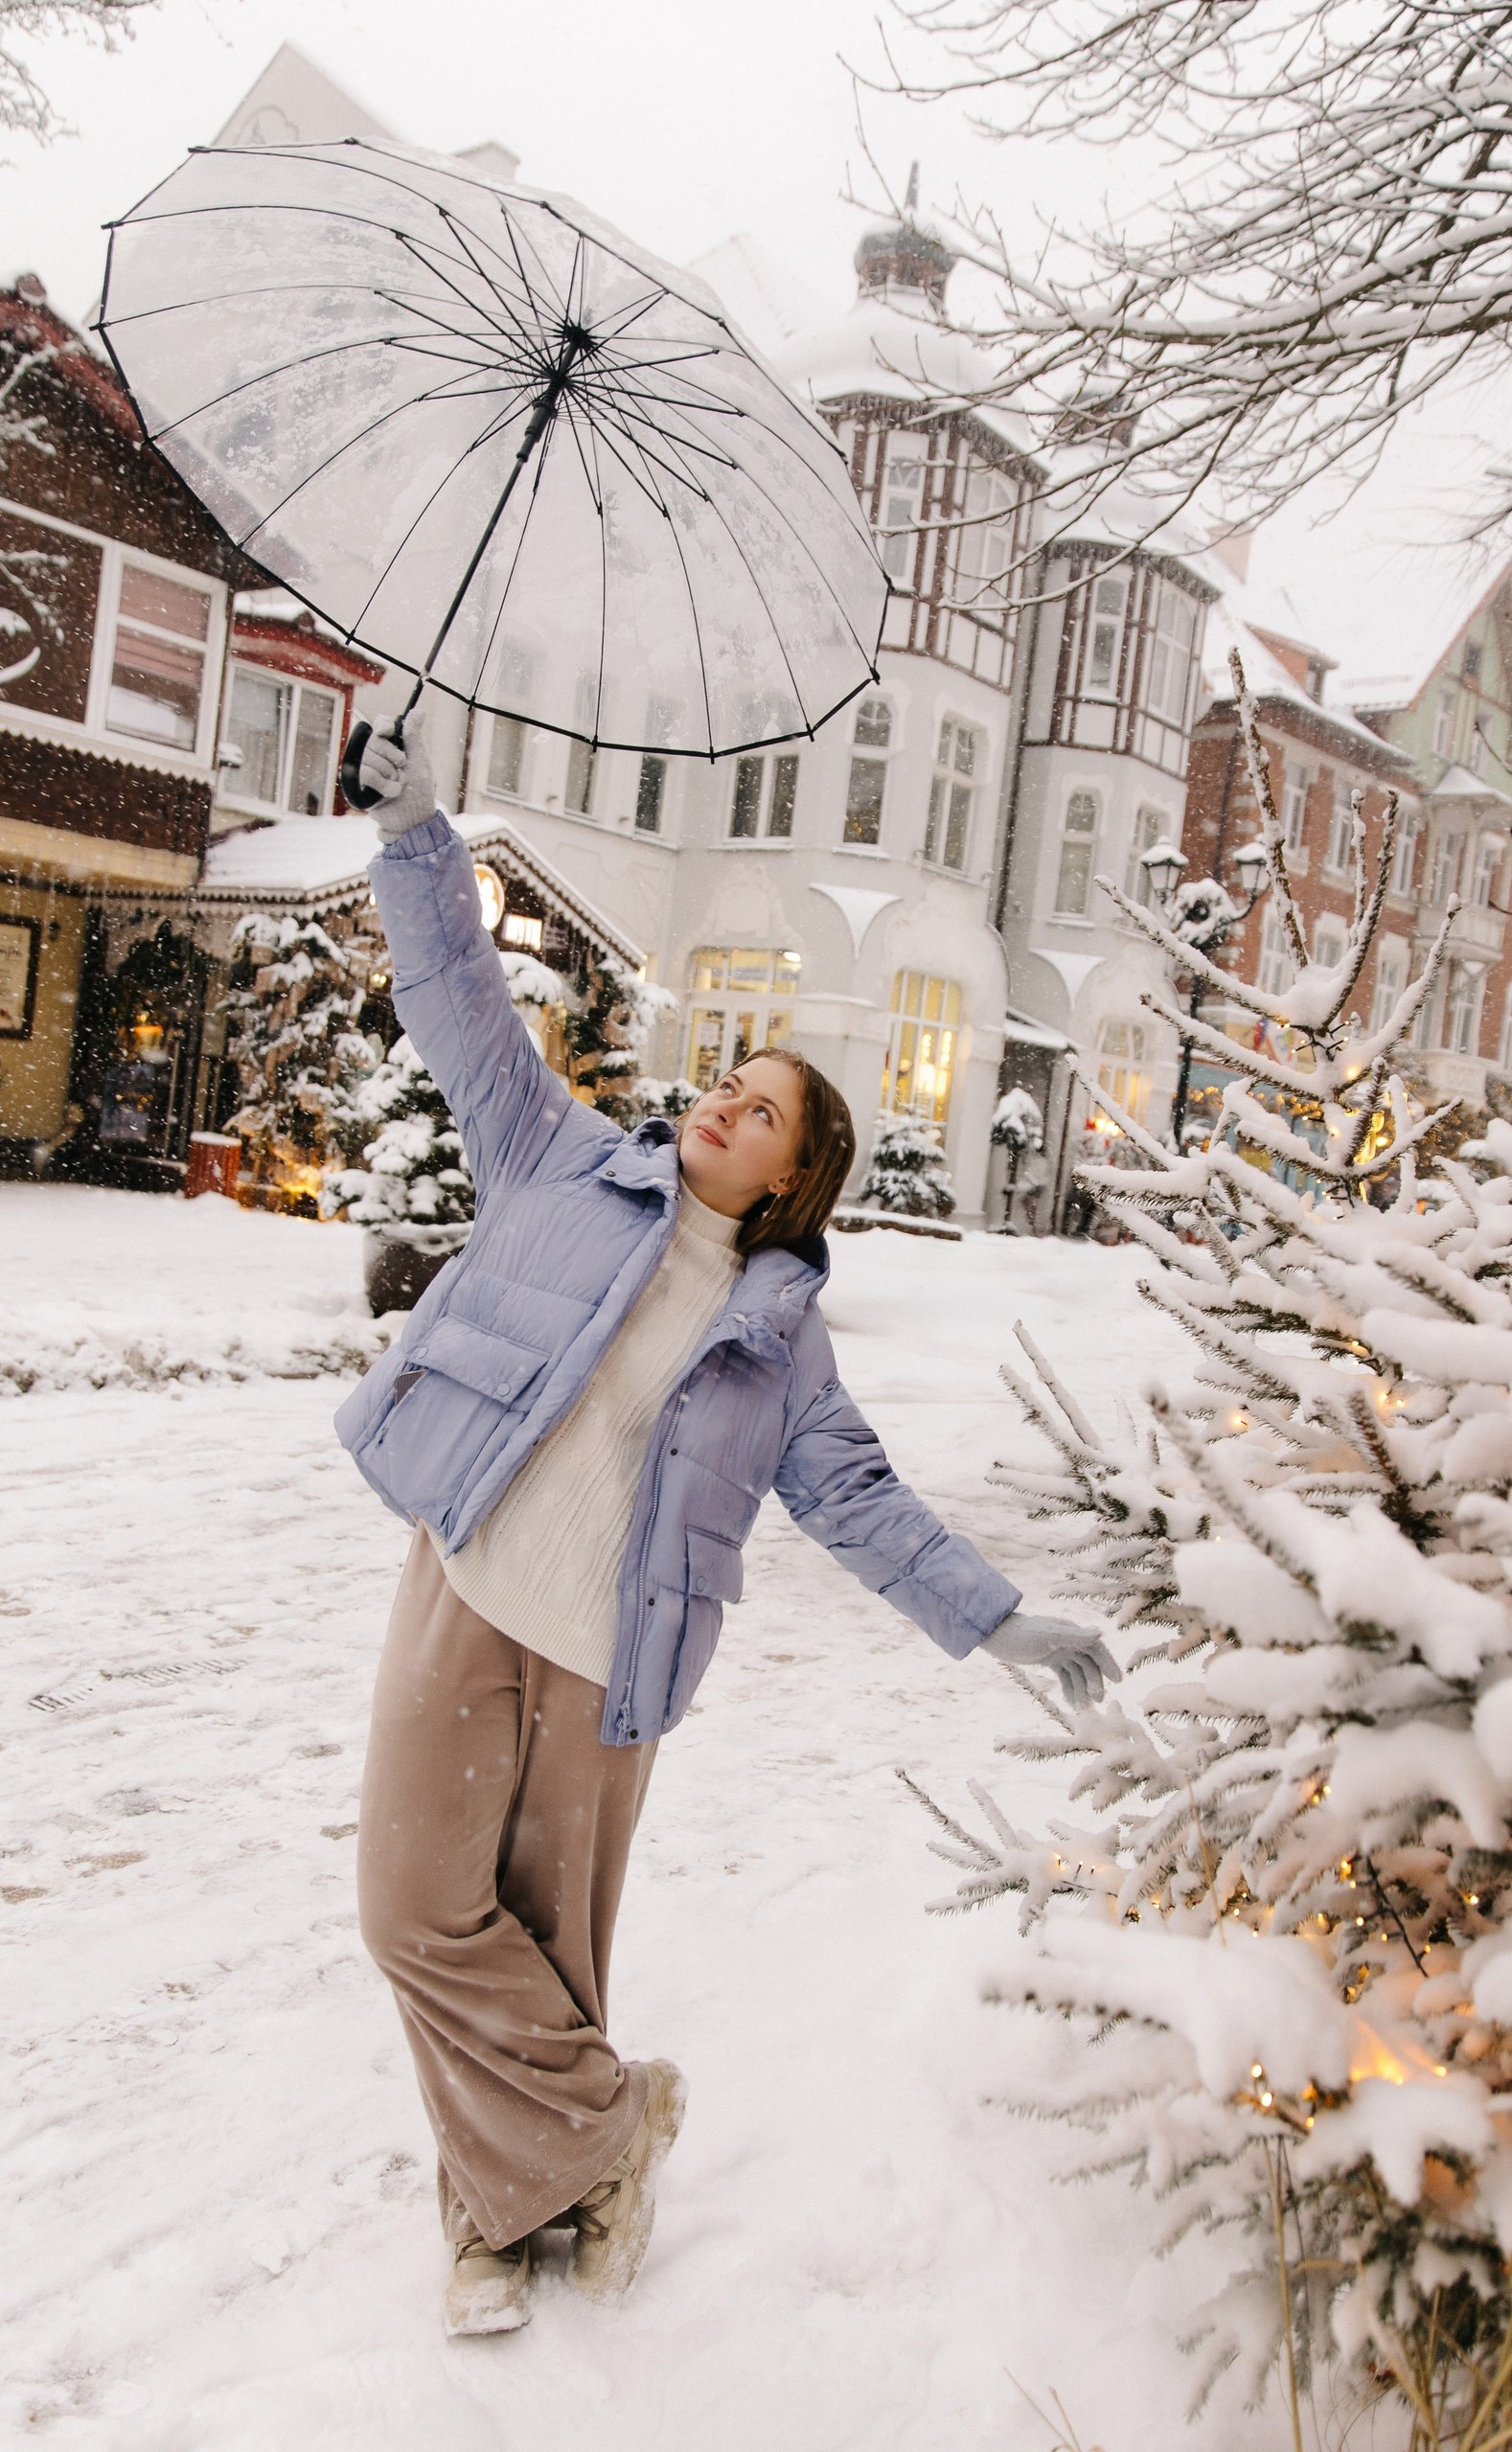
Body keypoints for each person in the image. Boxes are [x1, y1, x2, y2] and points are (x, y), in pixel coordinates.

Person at [338, 717, 1121, 2338]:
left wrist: (995, 1616)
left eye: (762, 1108)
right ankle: (611, 2127)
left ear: (796, 1174)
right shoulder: (555, 1162)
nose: (722, 1103)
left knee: (551, 1953)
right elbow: (464, 1009)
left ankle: (498, 2221)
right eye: (728, 1081)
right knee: (414, 1913)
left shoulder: (784, 1344)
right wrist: (421, 839)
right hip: (469, 1588)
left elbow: (863, 1506)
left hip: (606, 1665)